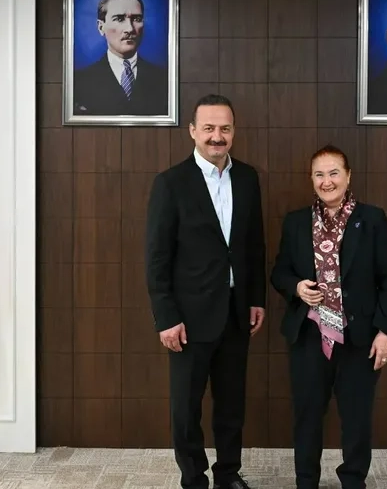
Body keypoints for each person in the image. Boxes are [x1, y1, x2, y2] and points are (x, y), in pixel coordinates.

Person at [144, 94, 266, 489]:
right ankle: (193, 478)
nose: (217, 136)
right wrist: (166, 317)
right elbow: (157, 258)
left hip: (236, 312)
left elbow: (254, 245)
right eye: (209, 128)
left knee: (231, 405)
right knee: (186, 409)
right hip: (187, 318)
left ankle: (228, 474)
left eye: (225, 128)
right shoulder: (170, 183)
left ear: (234, 132)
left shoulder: (247, 178)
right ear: (193, 131)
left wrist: (256, 299)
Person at [270, 144, 387, 489]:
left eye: (333, 173)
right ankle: (306, 481)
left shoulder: (372, 219)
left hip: (359, 337)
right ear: (311, 178)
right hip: (309, 335)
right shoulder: (297, 222)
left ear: (348, 176)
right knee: (307, 416)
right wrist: (297, 287)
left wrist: (385, 332)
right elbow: (279, 272)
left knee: (356, 418)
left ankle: (353, 481)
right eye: (319, 174)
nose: (326, 181)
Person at [73, 0, 168, 116]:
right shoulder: (79, 82)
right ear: (101, 27)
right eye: (119, 19)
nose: (130, 28)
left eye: (137, 19)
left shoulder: (165, 80)